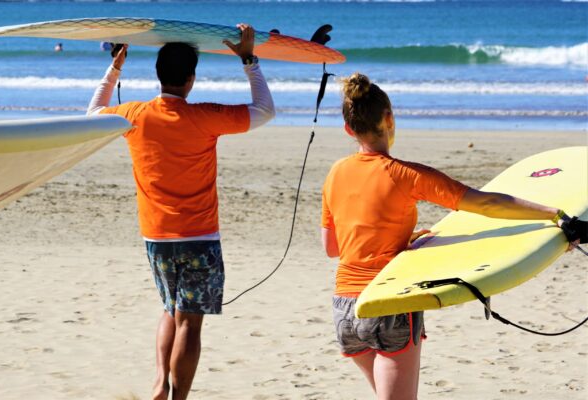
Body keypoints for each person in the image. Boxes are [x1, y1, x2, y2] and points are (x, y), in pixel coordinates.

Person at [320, 72, 587, 400]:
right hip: (387, 302)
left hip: (345, 311)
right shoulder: (406, 174)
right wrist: (554, 214)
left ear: (348, 128)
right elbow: (486, 203)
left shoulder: (335, 174)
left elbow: (332, 247)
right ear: (389, 119)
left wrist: (397, 239)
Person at [87, 24, 274, 400]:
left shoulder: (133, 115)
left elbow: (93, 113)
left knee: (170, 310)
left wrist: (116, 68)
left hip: (156, 237)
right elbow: (264, 111)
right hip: (200, 237)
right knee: (190, 322)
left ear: (159, 76)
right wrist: (249, 61)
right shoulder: (204, 117)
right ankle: (178, 398)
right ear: (191, 79)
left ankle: (159, 381)